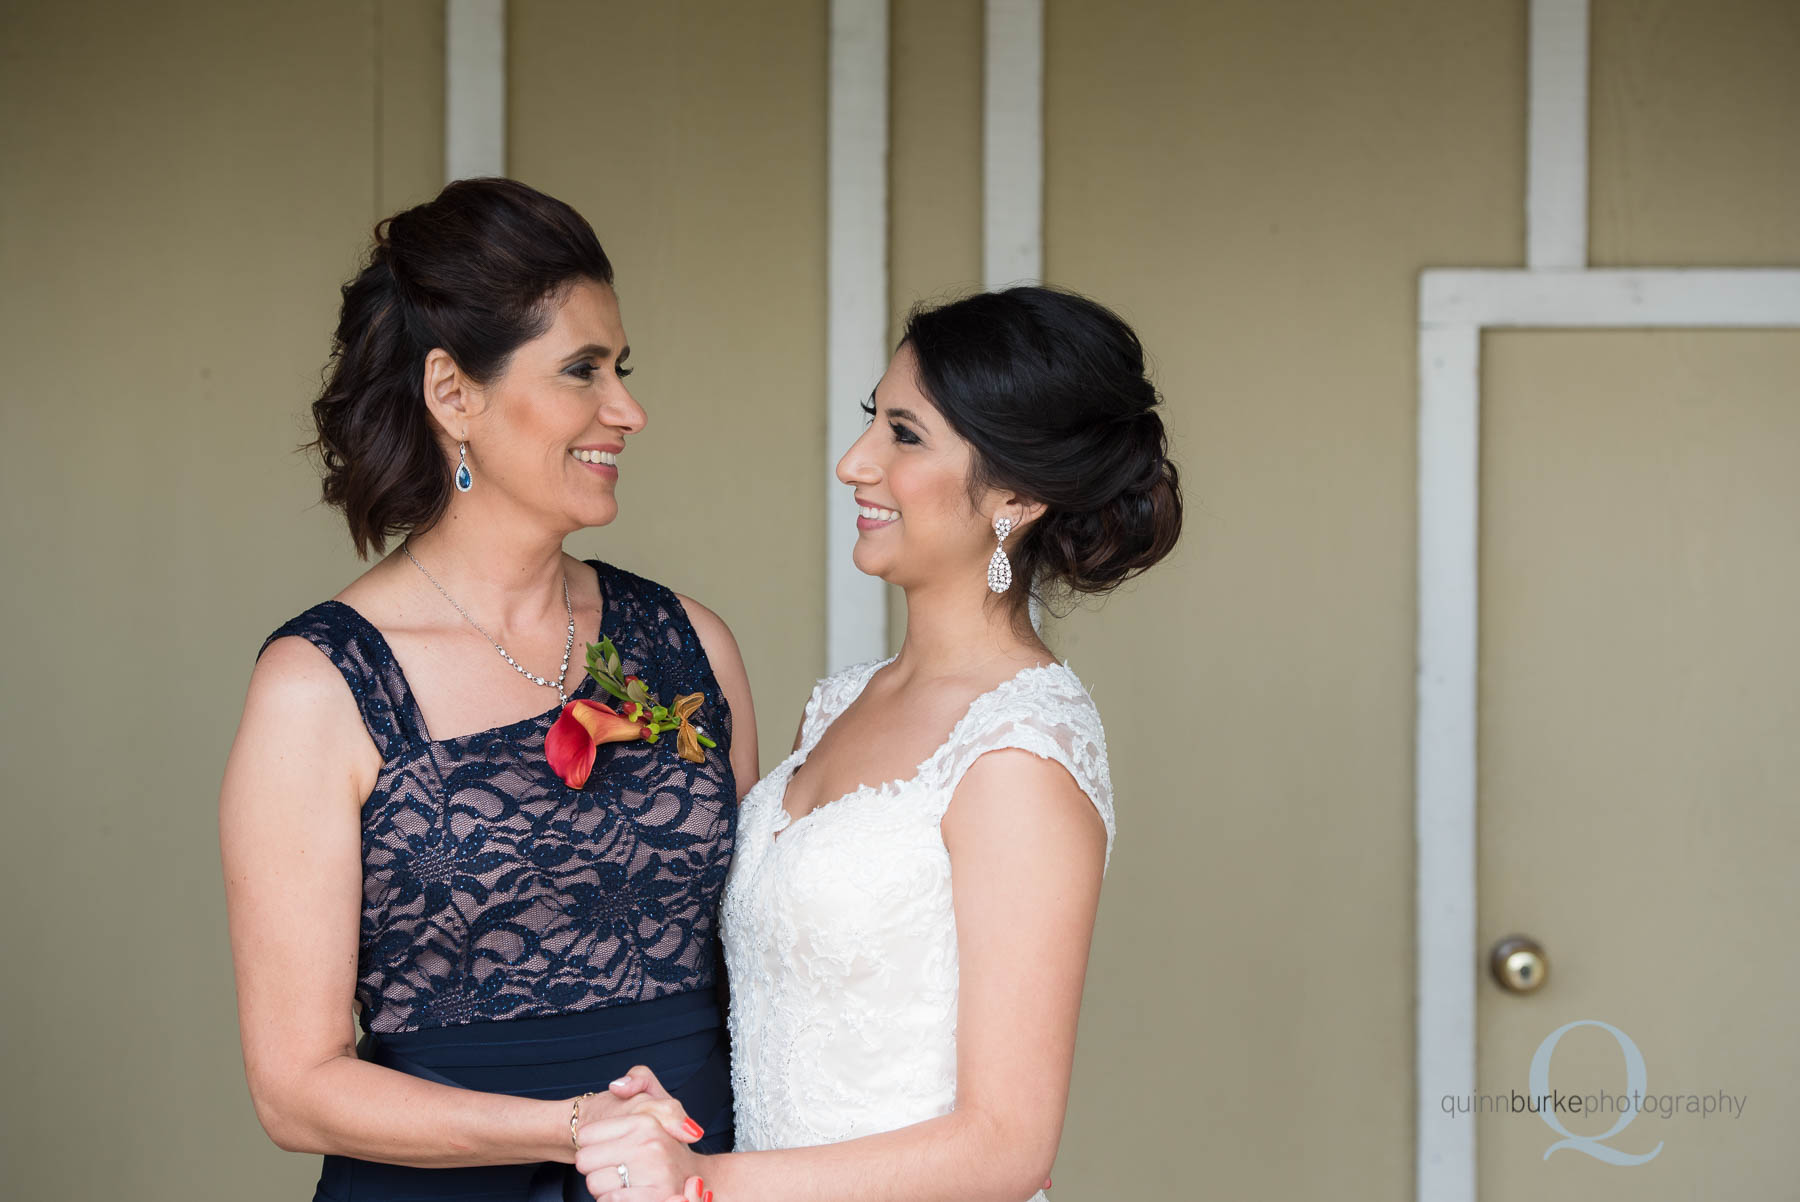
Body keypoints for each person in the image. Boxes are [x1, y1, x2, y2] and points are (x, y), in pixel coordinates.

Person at [571, 287, 1183, 1201]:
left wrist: (709, 1182)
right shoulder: (839, 704)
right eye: (872, 422)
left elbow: (1008, 1146)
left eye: (904, 435)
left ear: (1015, 493)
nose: (855, 463)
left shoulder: (1018, 751)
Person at [219, 177, 756, 1202]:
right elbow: (295, 1087)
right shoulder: (320, 687)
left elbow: (753, 974)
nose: (627, 410)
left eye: (622, 369)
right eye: (581, 372)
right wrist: (572, 1128)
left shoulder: (691, 647)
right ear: (453, 393)